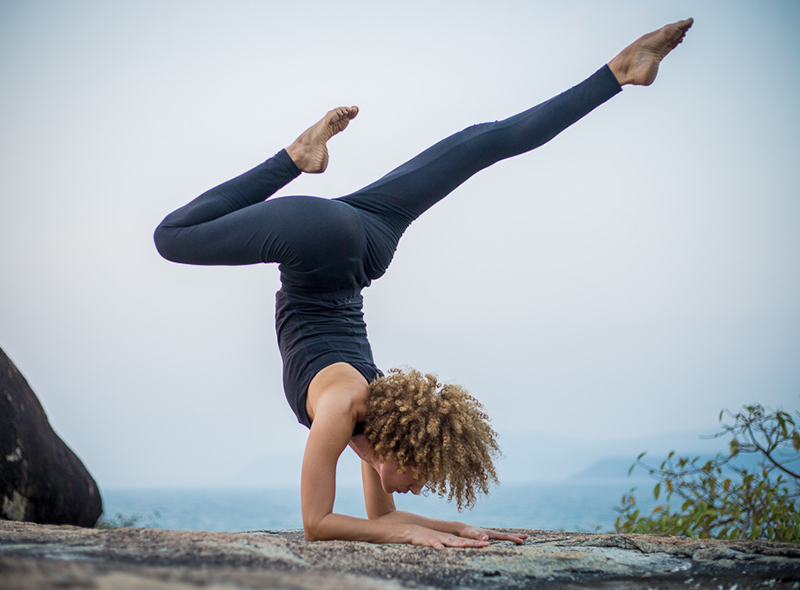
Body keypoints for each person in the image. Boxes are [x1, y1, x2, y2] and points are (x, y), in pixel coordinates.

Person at [154, 18, 694, 548]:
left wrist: (457, 528)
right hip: (317, 243)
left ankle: (618, 72)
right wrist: (413, 531)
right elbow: (317, 524)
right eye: (428, 472)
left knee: (478, 146)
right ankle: (294, 158)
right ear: (403, 448)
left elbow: (377, 521)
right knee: (171, 236)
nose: (425, 486)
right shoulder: (347, 409)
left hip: (365, 242)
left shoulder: (368, 417)